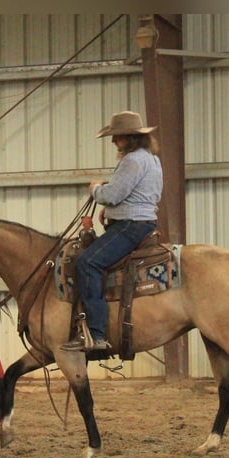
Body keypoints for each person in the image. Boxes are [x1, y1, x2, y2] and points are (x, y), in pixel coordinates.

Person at [61, 110, 163, 352]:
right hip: (140, 222)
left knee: (87, 263)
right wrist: (110, 212)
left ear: (130, 137)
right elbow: (136, 195)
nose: (114, 141)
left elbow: (112, 195)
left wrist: (96, 189)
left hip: (131, 226)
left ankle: (96, 333)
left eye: (117, 136)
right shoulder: (151, 159)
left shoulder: (132, 161)